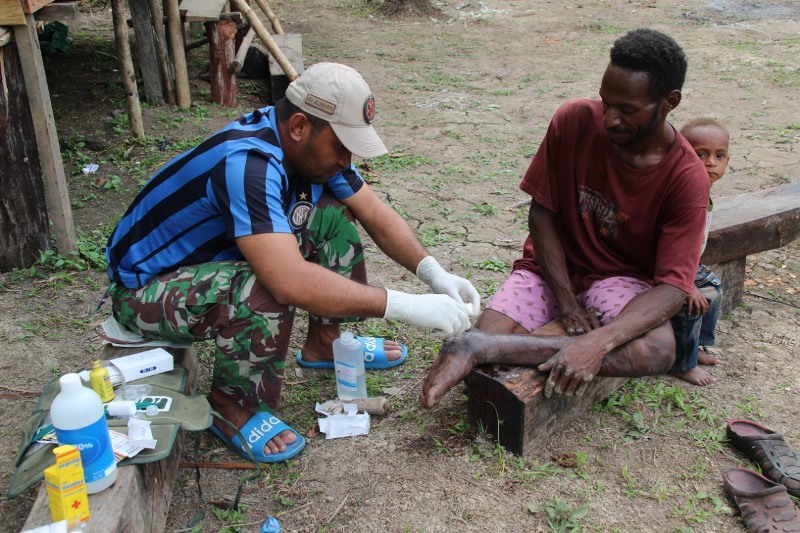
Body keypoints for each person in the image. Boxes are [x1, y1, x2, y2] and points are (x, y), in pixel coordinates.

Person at [105, 62, 481, 462]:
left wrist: (432, 272)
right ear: (300, 126)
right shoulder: (249, 164)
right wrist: (403, 306)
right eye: (341, 145)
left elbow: (374, 213)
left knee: (334, 216)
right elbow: (287, 280)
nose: (346, 159)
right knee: (261, 288)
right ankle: (233, 406)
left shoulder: (305, 151)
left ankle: (326, 343)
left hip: (204, 266)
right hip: (146, 290)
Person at [419, 29, 710, 409]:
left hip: (619, 281)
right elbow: (543, 212)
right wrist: (567, 304)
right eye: (606, 103)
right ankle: (478, 343)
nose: (609, 120)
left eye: (626, 109)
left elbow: (672, 288)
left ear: (669, 102)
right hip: (549, 269)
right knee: (480, 375)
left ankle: (480, 346)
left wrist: (595, 343)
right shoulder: (573, 120)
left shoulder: (686, 178)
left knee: (657, 350)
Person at [668, 118, 730, 386]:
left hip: (688, 263)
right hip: (665, 268)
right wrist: (685, 283)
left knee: (714, 287)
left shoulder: (704, 191)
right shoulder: (680, 194)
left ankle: (700, 343)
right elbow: (665, 246)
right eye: (700, 154)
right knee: (691, 303)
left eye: (720, 155)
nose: (710, 162)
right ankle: (683, 362)